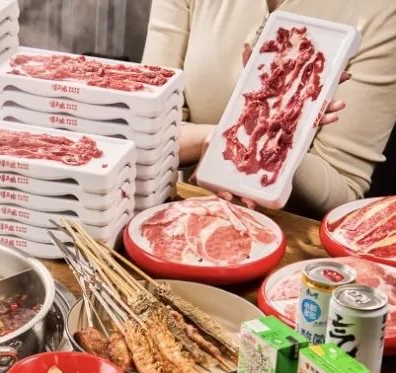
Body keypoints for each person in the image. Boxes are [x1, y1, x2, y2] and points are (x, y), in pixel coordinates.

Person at [142, 0, 396, 217]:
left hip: (287, 238)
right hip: (180, 212)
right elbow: (142, 129)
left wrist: (281, 143)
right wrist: (227, 137)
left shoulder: (381, 11)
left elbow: (343, 191)